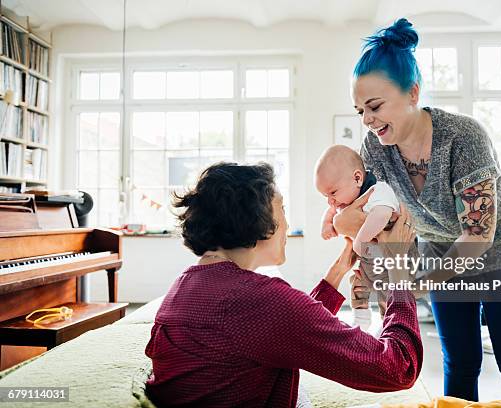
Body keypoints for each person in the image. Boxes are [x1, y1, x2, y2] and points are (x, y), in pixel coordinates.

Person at [333, 18, 501, 408]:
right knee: (460, 362)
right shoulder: (376, 148)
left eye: (374, 106)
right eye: (359, 111)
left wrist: (416, 284)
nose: (367, 120)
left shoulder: (463, 137)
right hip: (440, 250)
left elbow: (478, 235)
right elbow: (364, 212)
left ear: (413, 92)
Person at [144, 162, 423, 408]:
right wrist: (398, 267)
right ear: (255, 219)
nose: (287, 225)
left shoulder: (186, 284)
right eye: (282, 211)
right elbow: (399, 368)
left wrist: (338, 271)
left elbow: (284, 328)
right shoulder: (257, 299)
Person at [315, 144, 405, 331]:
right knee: (357, 287)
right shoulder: (344, 197)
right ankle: (361, 322)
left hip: (389, 260)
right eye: (325, 195)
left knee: (386, 292)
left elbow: (381, 213)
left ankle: (387, 326)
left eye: (332, 193)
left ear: (357, 178)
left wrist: (360, 239)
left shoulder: (377, 191)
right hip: (367, 260)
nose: (330, 201)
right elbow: (330, 210)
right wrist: (327, 224)